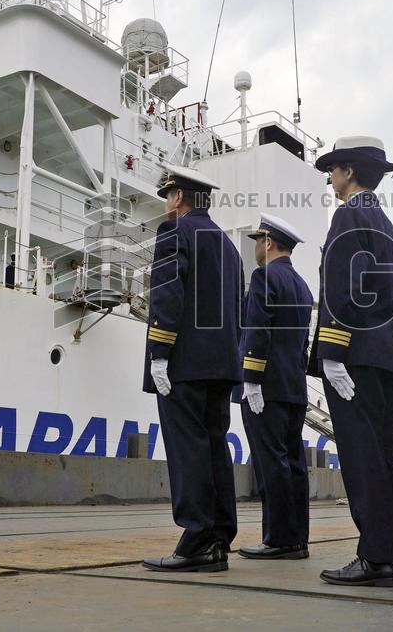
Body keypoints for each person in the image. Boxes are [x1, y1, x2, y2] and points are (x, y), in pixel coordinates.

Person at [308, 136, 393, 588]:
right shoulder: (383, 220)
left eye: (333, 170)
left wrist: (331, 352)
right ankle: (389, 555)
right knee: (382, 458)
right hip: (382, 355)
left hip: (353, 358)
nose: (330, 179)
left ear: (349, 172)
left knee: (363, 457)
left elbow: (343, 288)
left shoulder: (349, 215)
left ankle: (376, 557)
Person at [141, 165, 245, 573]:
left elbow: (168, 293)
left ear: (179, 197)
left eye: (168, 196)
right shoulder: (230, 247)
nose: (167, 204)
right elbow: (237, 309)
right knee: (215, 449)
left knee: (188, 452)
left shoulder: (175, 232)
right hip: (221, 365)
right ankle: (218, 538)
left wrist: (160, 352)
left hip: (183, 362)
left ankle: (196, 540)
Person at [234, 213, 314, 560]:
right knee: (294, 465)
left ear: (267, 243)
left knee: (272, 466)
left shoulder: (264, 277)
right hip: (294, 388)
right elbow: (302, 343)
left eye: (257, 242)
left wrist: (250, 378)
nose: (255, 249)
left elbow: (258, 330)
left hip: (265, 388)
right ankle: (297, 539)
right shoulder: (302, 285)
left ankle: (279, 539)